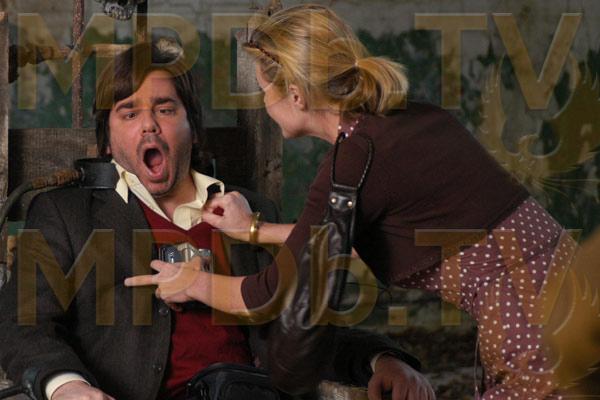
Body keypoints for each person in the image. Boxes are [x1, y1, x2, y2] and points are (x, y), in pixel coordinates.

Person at [125, 5, 579, 400]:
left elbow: (269, 293)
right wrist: (253, 230)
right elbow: (343, 239)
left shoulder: (355, 160)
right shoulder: (407, 121)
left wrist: (195, 283)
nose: (264, 102)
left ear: (296, 95)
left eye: (265, 90)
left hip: (535, 324)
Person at [0, 38, 430, 400]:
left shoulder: (250, 214)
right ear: (108, 142)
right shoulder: (67, 214)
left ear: (193, 128)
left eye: (165, 109)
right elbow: (20, 323)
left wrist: (381, 359)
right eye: (129, 113)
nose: (149, 125)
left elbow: (298, 331)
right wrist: (67, 386)